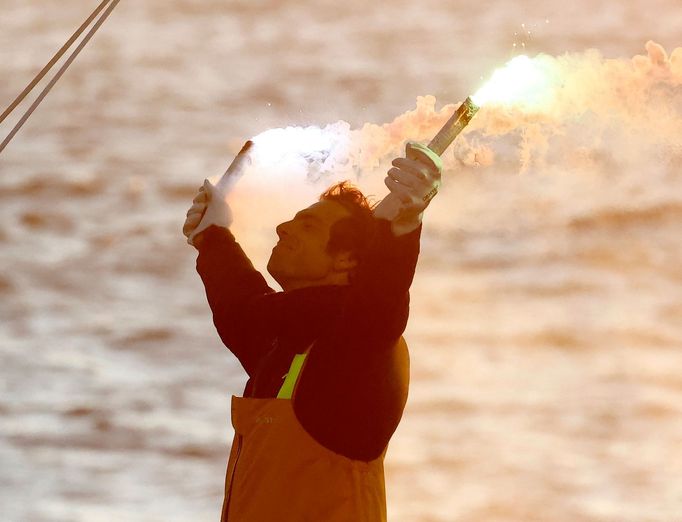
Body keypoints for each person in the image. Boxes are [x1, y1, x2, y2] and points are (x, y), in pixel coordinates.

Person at [182, 141, 442, 522]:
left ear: (347, 259)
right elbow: (241, 309)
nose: (283, 227)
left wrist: (401, 231)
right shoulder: (284, 346)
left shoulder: (360, 349)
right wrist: (213, 237)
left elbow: (379, 304)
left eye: (307, 224)